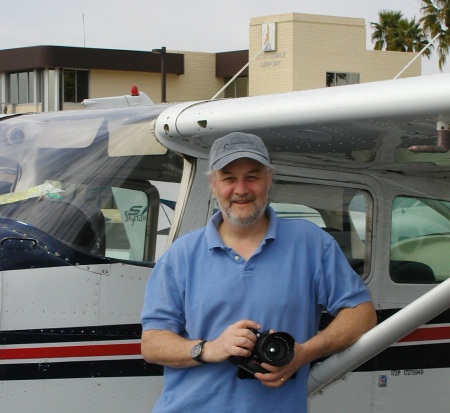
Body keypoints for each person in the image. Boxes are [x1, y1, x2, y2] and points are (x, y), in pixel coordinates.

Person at [141, 132, 377, 413]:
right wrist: (210, 349)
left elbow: (362, 314)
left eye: (252, 177)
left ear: (269, 179)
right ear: (213, 184)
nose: (241, 189)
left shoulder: (312, 244)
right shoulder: (181, 254)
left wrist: (303, 353)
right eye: (229, 178)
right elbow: (152, 343)